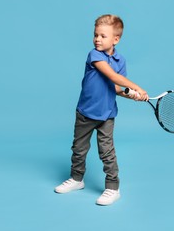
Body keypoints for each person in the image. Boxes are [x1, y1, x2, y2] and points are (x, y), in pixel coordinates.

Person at [54, 14, 148, 206]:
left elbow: (115, 87)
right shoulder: (94, 55)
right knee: (79, 149)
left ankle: (113, 189)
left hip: (106, 115)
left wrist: (130, 94)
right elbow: (112, 76)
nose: (97, 39)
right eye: (95, 34)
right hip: (85, 112)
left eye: (103, 36)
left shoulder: (120, 61)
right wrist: (138, 87)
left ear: (116, 39)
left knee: (107, 152)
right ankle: (77, 179)